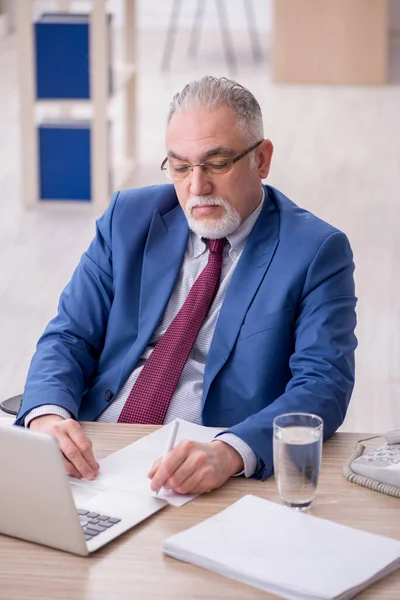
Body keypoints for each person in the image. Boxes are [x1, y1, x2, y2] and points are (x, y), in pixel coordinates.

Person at [15, 76, 357, 495]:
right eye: (180, 167)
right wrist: (47, 417)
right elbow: (69, 336)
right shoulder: (128, 218)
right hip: (95, 454)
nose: (197, 187)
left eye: (217, 164)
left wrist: (230, 451)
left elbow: (323, 384)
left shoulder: (316, 250)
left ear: (262, 159)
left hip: (205, 470)